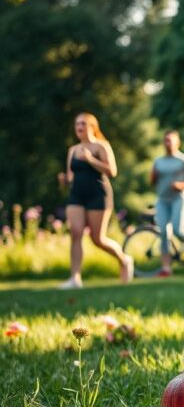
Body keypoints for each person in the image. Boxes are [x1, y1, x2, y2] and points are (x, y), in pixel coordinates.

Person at [59, 112, 133, 288]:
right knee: (75, 233)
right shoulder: (73, 150)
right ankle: (75, 278)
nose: (79, 126)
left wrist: (91, 159)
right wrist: (64, 180)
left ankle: (124, 260)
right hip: (77, 195)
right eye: (77, 123)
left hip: (98, 195)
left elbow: (112, 171)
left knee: (97, 238)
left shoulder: (101, 146)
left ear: (92, 126)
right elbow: (71, 177)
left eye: (83, 123)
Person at [150, 130, 184, 276]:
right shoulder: (158, 161)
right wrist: (153, 176)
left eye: (170, 140)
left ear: (177, 142)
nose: (168, 143)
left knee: (178, 230)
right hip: (162, 200)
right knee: (163, 232)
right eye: (165, 140)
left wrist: (181, 185)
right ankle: (166, 268)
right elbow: (152, 181)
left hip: (179, 198)